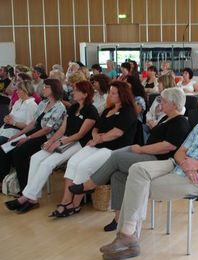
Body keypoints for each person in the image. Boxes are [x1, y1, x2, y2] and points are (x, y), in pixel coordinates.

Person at [97, 82, 198, 260]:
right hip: (179, 167)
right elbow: (180, 152)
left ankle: (127, 236)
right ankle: (127, 236)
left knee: (138, 185)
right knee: (137, 171)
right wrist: (186, 164)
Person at [69, 87, 191, 231]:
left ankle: (89, 185)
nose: (160, 104)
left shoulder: (180, 122)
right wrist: (139, 149)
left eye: (163, 102)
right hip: (148, 154)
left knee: (116, 158)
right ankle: (118, 218)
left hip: (160, 161)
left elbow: (167, 147)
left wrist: (141, 149)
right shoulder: (166, 118)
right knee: (117, 174)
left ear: (174, 104)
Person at [4, 81, 98, 213]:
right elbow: (62, 129)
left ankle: (27, 198)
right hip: (64, 139)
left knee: (47, 163)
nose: (73, 92)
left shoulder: (91, 111)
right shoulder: (73, 107)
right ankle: (31, 197)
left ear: (85, 94)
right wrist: (51, 141)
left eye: (76, 90)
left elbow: (79, 135)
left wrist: (59, 143)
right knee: (36, 158)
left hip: (78, 143)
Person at [49, 81, 138, 218]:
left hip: (114, 149)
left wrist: (99, 139)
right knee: (73, 162)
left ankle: (75, 204)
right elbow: (96, 127)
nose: (111, 95)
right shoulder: (108, 110)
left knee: (84, 166)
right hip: (97, 144)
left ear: (123, 95)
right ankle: (66, 201)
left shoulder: (129, 111)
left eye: (114, 93)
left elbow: (117, 133)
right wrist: (96, 136)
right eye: (111, 92)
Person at [0, 79, 66, 191]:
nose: (43, 89)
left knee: (19, 152)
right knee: (8, 146)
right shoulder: (43, 103)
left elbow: (47, 129)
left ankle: (24, 188)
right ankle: (5, 181)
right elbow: (33, 123)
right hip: (35, 133)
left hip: (47, 137)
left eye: (46, 87)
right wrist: (18, 135)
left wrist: (27, 138)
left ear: (54, 89)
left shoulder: (59, 107)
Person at [0, 80, 38, 145]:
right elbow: (11, 115)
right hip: (4, 129)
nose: (16, 92)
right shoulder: (18, 102)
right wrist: (6, 118)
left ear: (26, 91)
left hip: (14, 132)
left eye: (19, 90)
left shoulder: (32, 105)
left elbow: (29, 126)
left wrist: (14, 123)